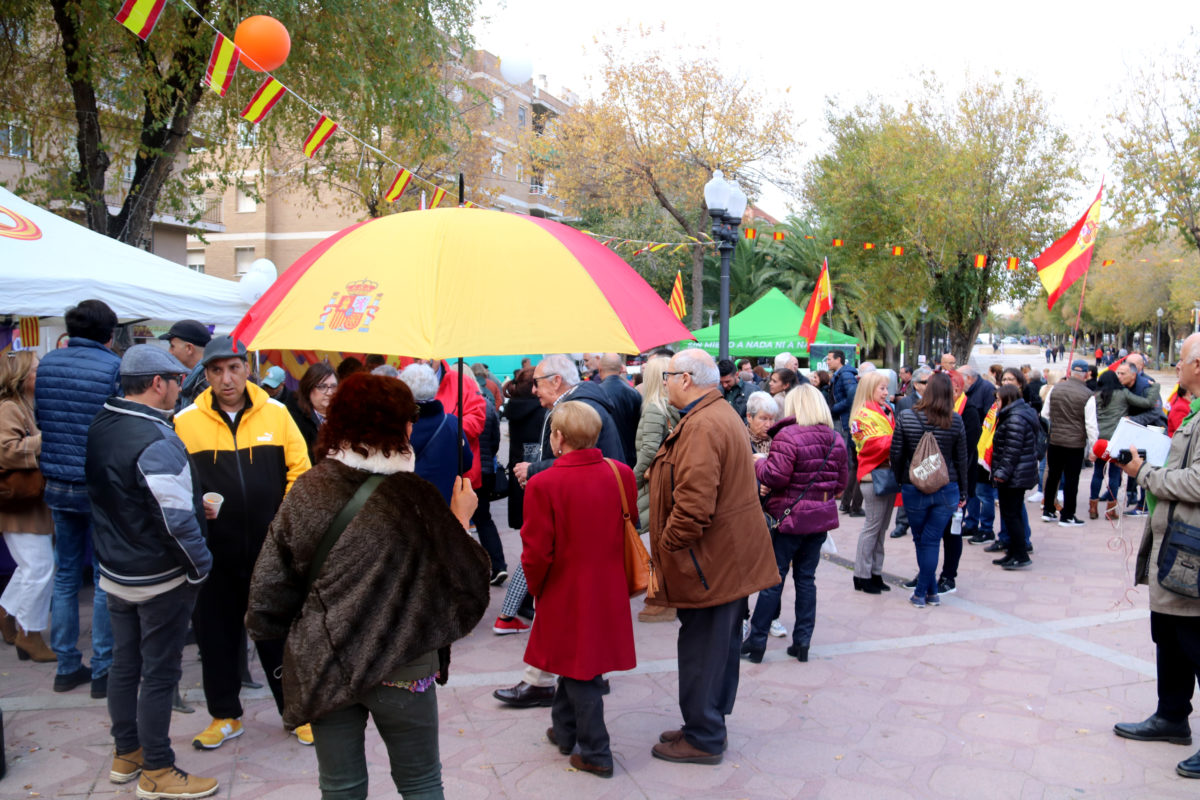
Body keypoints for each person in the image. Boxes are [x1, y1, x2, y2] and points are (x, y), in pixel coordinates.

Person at [246, 373, 490, 799]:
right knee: (421, 783)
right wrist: (462, 521)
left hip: (325, 663)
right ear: (395, 427)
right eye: (407, 418)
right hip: (405, 664)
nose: (413, 427)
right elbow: (467, 581)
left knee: (341, 788)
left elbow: (267, 597)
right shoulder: (415, 495)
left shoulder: (306, 491)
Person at [86, 345, 218, 799]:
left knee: (125, 664)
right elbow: (174, 523)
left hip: (116, 568)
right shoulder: (156, 437)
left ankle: (128, 753)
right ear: (157, 383)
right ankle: (158, 769)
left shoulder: (103, 423)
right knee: (160, 673)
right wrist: (201, 566)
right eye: (177, 379)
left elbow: (126, 494)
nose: (183, 386)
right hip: (157, 575)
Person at [173, 335, 312, 749]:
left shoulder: (278, 413)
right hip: (213, 552)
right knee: (216, 637)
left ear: (246, 368)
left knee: (276, 634)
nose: (226, 378)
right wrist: (197, 506)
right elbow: (177, 482)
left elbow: (300, 472)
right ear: (207, 374)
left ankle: (296, 712)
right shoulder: (185, 423)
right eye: (216, 370)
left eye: (233, 368)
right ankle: (225, 716)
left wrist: (283, 525)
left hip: (270, 550)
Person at [645, 349, 780, 764]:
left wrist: (665, 550)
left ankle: (703, 735)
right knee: (715, 648)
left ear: (686, 379)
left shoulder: (704, 424)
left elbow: (693, 508)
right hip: (722, 560)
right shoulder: (714, 414)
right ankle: (705, 725)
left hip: (710, 563)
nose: (664, 382)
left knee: (705, 649)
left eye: (667, 376)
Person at [492, 355, 624, 706]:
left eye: (538, 382)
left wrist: (538, 471)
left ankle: (562, 695)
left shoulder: (578, 406)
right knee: (579, 624)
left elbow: (587, 462)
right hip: (592, 541)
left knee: (566, 619)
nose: (533, 389)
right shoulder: (585, 401)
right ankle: (562, 689)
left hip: (578, 539)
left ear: (556, 381)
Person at [520, 401, 637, 779]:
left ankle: (596, 751)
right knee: (577, 658)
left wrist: (537, 589)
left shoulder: (543, 483)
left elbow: (537, 551)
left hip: (565, 584)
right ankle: (565, 729)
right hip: (609, 582)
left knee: (580, 667)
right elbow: (630, 522)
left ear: (558, 438)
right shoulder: (620, 473)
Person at [1111, 333, 1200, 780]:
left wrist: (1145, 473)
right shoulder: (1194, 414)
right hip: (1177, 546)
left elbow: (1199, 483)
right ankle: (1171, 717)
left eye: (1182, 362)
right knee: (1169, 636)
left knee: (1194, 641)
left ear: (1198, 365)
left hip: (1193, 552)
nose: (1177, 369)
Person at [34, 299, 121, 696]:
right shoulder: (112, 368)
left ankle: (66, 665)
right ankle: (103, 669)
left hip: (57, 483)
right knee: (104, 578)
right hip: (99, 485)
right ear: (108, 333)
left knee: (65, 574)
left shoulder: (48, 364)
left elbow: (40, 420)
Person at [747, 384, 847, 661]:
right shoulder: (835, 439)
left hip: (788, 519)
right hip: (818, 521)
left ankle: (756, 643)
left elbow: (775, 477)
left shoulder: (787, 436)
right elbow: (841, 484)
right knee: (806, 580)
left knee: (773, 580)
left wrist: (758, 462)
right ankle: (802, 642)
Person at [889, 372, 969, 609]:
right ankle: (931, 591)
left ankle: (922, 591)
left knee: (921, 539)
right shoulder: (955, 420)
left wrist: (902, 480)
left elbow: (896, 454)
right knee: (931, 539)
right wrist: (964, 491)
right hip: (947, 487)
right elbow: (962, 459)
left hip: (915, 486)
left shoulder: (906, 416)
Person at [0, 351, 55, 662]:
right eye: (36, 369)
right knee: (39, 567)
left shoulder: (24, 405)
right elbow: (5, 451)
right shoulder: (8, 408)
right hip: (18, 502)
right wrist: (43, 441)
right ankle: (29, 634)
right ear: (21, 377)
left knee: (32, 566)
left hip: (27, 502)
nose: (41, 374)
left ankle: (7, 612)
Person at [632, 356, 679, 624]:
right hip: (663, 483)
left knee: (652, 543)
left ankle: (660, 599)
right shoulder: (667, 406)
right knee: (660, 543)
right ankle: (660, 597)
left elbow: (649, 449)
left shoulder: (653, 407)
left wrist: (634, 478)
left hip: (654, 484)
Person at [398, 363, 474, 505]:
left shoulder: (395, 425)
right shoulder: (452, 423)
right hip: (444, 505)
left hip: (406, 505)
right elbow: (467, 462)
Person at [849, 371, 896, 595]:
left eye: (886, 388)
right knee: (872, 527)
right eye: (882, 389)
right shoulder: (862, 416)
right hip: (872, 475)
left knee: (881, 528)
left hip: (884, 475)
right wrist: (900, 437)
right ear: (870, 389)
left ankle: (874, 573)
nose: (886, 393)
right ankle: (862, 574)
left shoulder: (884, 411)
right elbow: (871, 445)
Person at [1091, 369, 1156, 521]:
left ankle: (1092, 508)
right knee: (1114, 473)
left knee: (1097, 472)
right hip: (1117, 439)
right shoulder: (1123, 394)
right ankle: (1111, 510)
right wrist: (1155, 387)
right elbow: (1147, 403)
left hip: (1100, 439)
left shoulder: (1095, 396)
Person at [1040, 359, 1098, 527]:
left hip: (1055, 440)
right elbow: (1091, 425)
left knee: (1053, 476)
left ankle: (1048, 510)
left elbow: (1045, 414)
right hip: (1075, 444)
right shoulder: (1088, 395)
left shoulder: (1055, 389)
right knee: (1072, 479)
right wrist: (1094, 448)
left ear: (1071, 372)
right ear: (1086, 375)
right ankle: (1067, 515)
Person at [989, 384, 1041, 571]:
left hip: (1014, 476)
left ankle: (1020, 554)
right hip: (1016, 474)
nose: (996, 403)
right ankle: (1013, 551)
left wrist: (1001, 473)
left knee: (1013, 515)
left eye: (998, 399)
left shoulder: (1015, 418)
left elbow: (1012, 451)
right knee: (1011, 514)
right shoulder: (1015, 414)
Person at [890, 366, 932, 540]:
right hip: (910, 453)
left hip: (931, 452)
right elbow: (898, 430)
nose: (930, 385)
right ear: (916, 385)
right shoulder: (905, 403)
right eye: (925, 382)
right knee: (908, 490)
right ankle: (902, 523)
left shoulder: (937, 401)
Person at [502, 367, 546, 531]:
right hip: (538, 470)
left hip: (518, 468)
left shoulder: (515, 407)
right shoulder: (542, 410)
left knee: (526, 526)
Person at [827, 350, 862, 517]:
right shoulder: (843, 375)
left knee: (846, 457)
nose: (827, 362)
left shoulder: (846, 375)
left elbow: (852, 396)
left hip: (844, 420)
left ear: (838, 359)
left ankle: (844, 496)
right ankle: (845, 500)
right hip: (842, 418)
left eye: (829, 359)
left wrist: (834, 409)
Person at [595, 353, 642, 466]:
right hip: (630, 457)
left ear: (600, 369)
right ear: (621, 369)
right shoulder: (634, 393)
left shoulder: (596, 393)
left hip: (605, 457)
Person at [286, 362, 337, 463]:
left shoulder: (345, 415)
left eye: (333, 386)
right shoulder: (295, 419)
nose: (329, 392)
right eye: (322, 387)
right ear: (308, 388)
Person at [158, 319, 212, 408]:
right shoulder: (196, 377)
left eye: (172, 346)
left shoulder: (209, 379)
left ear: (189, 348)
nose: (170, 352)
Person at [746, 391, 779, 455]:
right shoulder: (740, 441)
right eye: (763, 419)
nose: (768, 425)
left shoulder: (780, 442)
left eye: (771, 419)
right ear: (749, 417)